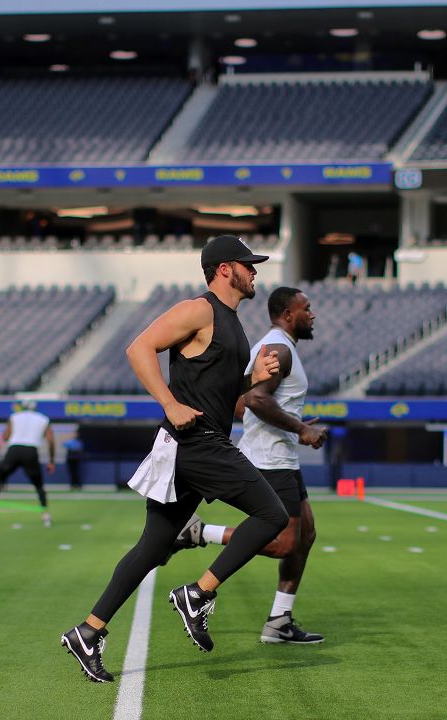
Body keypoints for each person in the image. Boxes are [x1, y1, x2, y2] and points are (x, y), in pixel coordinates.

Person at [59, 234, 285, 682]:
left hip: (195, 443)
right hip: (196, 442)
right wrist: (168, 403)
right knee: (272, 514)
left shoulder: (234, 323)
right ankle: (198, 595)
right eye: (247, 264)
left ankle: (88, 631)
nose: (255, 270)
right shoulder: (198, 309)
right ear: (225, 269)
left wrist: (251, 380)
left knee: (154, 547)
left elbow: (216, 392)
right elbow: (138, 348)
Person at [177, 287, 328, 644]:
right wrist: (301, 428)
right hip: (270, 459)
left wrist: (291, 423)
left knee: (305, 535)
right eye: (307, 308)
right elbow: (258, 400)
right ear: (288, 314)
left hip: (282, 457)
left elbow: (239, 402)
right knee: (283, 543)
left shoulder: (276, 348)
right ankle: (198, 533)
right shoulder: (278, 349)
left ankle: (279, 621)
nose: (313, 314)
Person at [0, 401, 56, 526]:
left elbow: (6, 437)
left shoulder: (14, 417)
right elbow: (50, 440)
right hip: (31, 451)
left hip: (14, 450)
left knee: (0, 476)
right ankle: (45, 514)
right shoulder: (43, 419)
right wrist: (51, 461)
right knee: (38, 485)